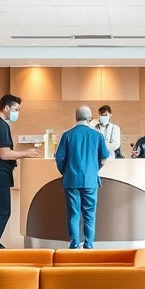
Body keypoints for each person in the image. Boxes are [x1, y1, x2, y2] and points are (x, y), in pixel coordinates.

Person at [0, 93, 38, 249]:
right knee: (3, 211)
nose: (17, 113)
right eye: (16, 109)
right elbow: (4, 153)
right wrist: (26, 153)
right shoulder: (1, 126)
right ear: (6, 107)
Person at [55, 106, 110, 249]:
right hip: (91, 181)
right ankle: (89, 245)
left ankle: (74, 245)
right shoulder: (97, 135)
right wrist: (95, 169)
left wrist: (65, 172)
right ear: (90, 118)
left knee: (73, 214)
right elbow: (104, 157)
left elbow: (59, 157)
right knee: (89, 214)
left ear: (75, 118)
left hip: (71, 180)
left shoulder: (67, 135)